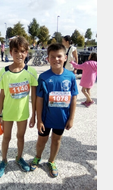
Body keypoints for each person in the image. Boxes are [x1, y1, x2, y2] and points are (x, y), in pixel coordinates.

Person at [29, 43, 78, 178]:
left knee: (56, 140)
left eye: (59, 56)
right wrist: (39, 120)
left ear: (65, 58)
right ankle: (37, 157)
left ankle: (51, 161)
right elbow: (39, 99)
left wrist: (71, 118)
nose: (56, 59)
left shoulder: (70, 77)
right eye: (52, 57)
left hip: (61, 119)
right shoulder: (44, 77)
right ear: (48, 59)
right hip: (45, 119)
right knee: (41, 141)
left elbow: (74, 98)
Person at [0, 36, 38, 178]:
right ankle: (4, 161)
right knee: (6, 137)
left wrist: (34, 115)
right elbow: (2, 95)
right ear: (10, 52)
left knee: (21, 136)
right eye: (16, 51)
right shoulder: (4, 72)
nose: (20, 54)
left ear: (27, 52)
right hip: (7, 114)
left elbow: (34, 96)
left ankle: (19, 158)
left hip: (23, 114)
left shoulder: (31, 72)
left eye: (23, 51)